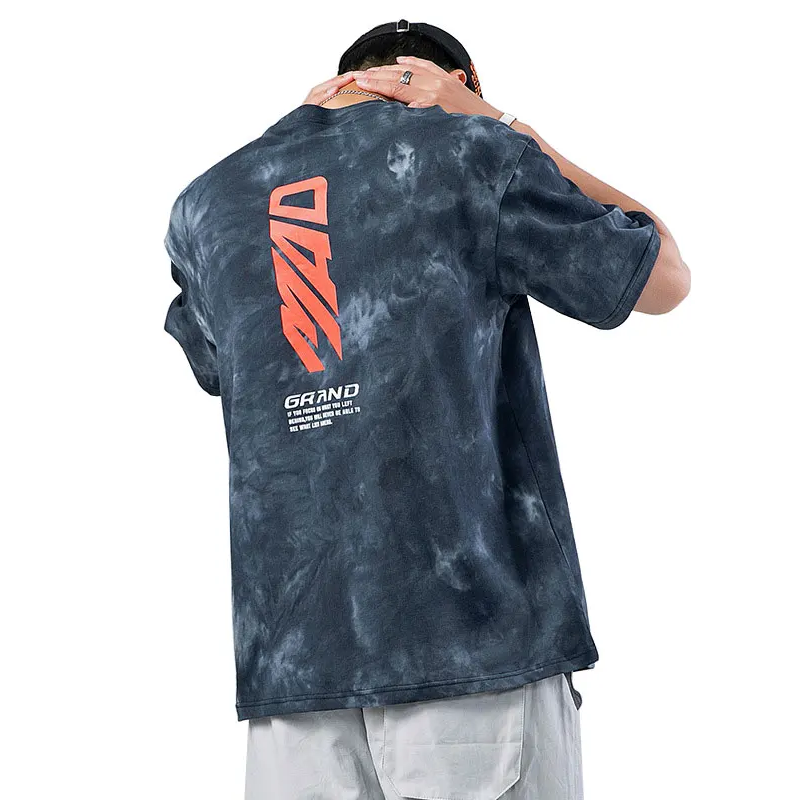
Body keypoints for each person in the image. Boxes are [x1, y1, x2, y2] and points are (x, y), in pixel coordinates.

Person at [162, 19, 690, 800]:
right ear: (457, 84)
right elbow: (664, 276)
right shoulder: (471, 150)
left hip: (293, 677)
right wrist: (504, 124)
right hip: (474, 655)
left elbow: (221, 368)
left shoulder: (205, 205)